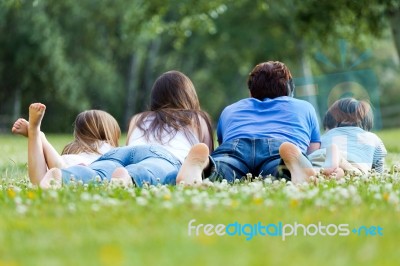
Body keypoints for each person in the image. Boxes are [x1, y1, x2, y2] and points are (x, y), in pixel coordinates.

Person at [39, 70, 214, 188]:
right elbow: (204, 156)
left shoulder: (139, 118)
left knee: (100, 171)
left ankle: (64, 176)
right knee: (150, 170)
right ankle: (128, 178)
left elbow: (130, 145)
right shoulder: (197, 118)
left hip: (125, 152)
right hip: (165, 157)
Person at [176, 61, 321, 185]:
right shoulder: (305, 107)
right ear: (289, 90)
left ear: (251, 92)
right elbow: (313, 152)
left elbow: (223, 142)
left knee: (223, 169)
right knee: (278, 171)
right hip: (281, 147)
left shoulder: (230, 110)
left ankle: (204, 165)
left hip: (236, 145)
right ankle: (291, 166)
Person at [278, 98, 387, 183]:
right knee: (348, 173)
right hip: (353, 166)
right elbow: (378, 171)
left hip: (320, 158)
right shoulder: (373, 138)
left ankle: (306, 169)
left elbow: (313, 150)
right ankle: (336, 166)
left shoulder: (325, 137)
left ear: (330, 125)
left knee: (317, 171)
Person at [11, 103, 121, 185]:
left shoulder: (72, 148)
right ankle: (38, 134)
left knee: (41, 180)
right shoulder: (109, 148)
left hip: (66, 162)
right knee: (62, 171)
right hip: (84, 170)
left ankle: (36, 134)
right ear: (110, 131)